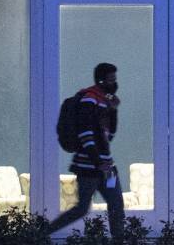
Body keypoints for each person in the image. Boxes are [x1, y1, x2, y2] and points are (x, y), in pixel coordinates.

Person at [47, 63, 125, 236]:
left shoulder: (105, 101)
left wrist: (113, 111)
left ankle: (120, 239)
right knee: (82, 208)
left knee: (116, 204)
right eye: (111, 79)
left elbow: (109, 136)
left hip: (107, 167)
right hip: (88, 168)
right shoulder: (89, 99)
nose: (114, 82)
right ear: (101, 80)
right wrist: (99, 163)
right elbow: (86, 135)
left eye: (115, 79)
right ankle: (43, 233)